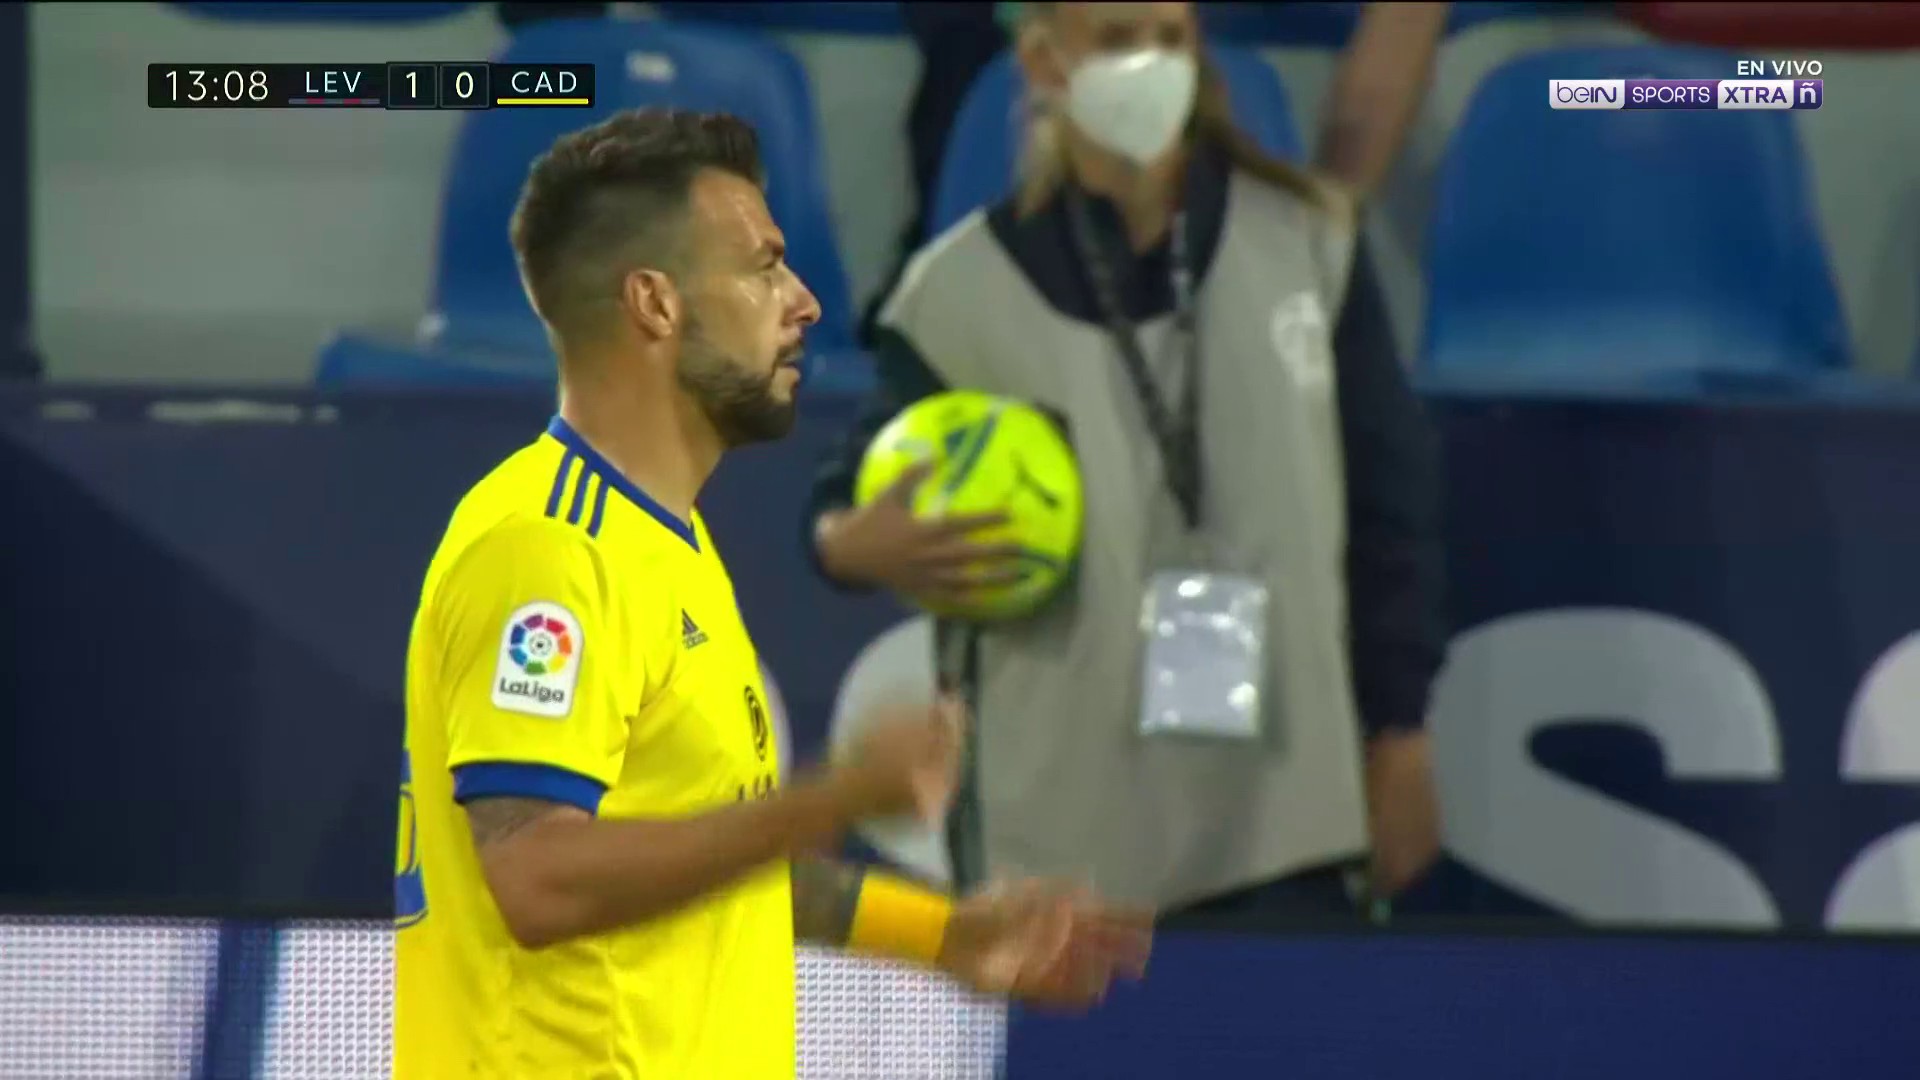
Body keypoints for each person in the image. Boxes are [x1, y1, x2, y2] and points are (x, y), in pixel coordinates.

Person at [391, 108, 1151, 1080]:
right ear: (655, 305)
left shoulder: (667, 542)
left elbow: (700, 869)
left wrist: (939, 934)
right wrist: (835, 794)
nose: (805, 303)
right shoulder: (550, 549)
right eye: (763, 267)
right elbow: (538, 882)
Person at [807, 1, 1448, 920]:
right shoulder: (954, 293)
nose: (1148, 64)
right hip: (1055, 837)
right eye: (1115, 40)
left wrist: (1401, 734)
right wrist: (848, 543)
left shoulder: (1311, 244)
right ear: (1043, 62)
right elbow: (842, 498)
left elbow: (1396, 512)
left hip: (1282, 824)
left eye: (1169, 39)